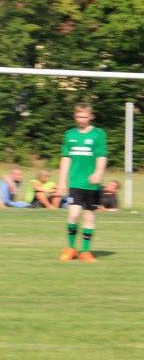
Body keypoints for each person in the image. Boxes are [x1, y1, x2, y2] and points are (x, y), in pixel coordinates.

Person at [56, 103, 107, 262]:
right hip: (75, 182)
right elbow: (65, 158)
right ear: (75, 116)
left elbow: (101, 156)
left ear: (91, 117)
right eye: (78, 116)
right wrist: (62, 181)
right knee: (73, 214)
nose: (81, 119)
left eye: (84, 116)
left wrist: (98, 172)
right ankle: (71, 249)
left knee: (89, 217)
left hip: (91, 184)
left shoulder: (98, 134)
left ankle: (85, 251)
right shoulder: (69, 134)